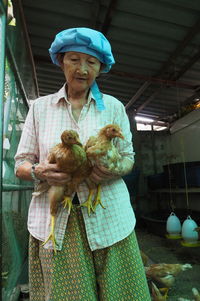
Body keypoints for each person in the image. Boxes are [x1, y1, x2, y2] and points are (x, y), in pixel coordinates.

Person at [15, 27, 151, 300]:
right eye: (74, 59)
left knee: (122, 294)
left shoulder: (113, 107)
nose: (82, 68)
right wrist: (39, 171)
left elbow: (129, 159)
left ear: (100, 68)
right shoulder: (40, 108)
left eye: (91, 61)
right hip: (54, 221)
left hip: (110, 220)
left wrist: (113, 171)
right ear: (61, 60)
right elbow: (21, 164)